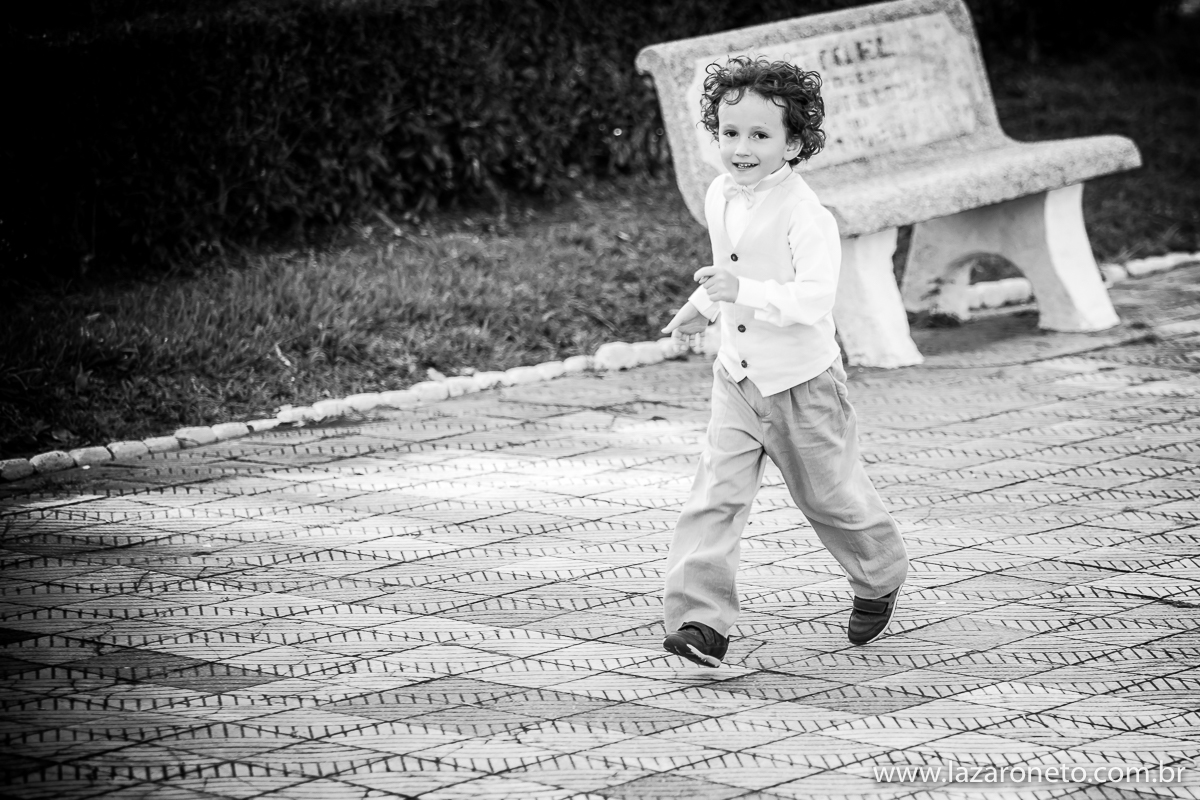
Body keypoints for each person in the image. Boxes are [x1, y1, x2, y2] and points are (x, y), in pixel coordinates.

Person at [660, 56, 908, 667]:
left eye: (759, 135)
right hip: (738, 378)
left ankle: (879, 571)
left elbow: (813, 300)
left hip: (803, 384)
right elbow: (732, 270)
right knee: (714, 497)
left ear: (794, 142)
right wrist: (702, 306)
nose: (740, 148)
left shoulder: (806, 214)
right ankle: (702, 622)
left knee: (828, 497)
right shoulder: (721, 193)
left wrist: (739, 295)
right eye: (729, 132)